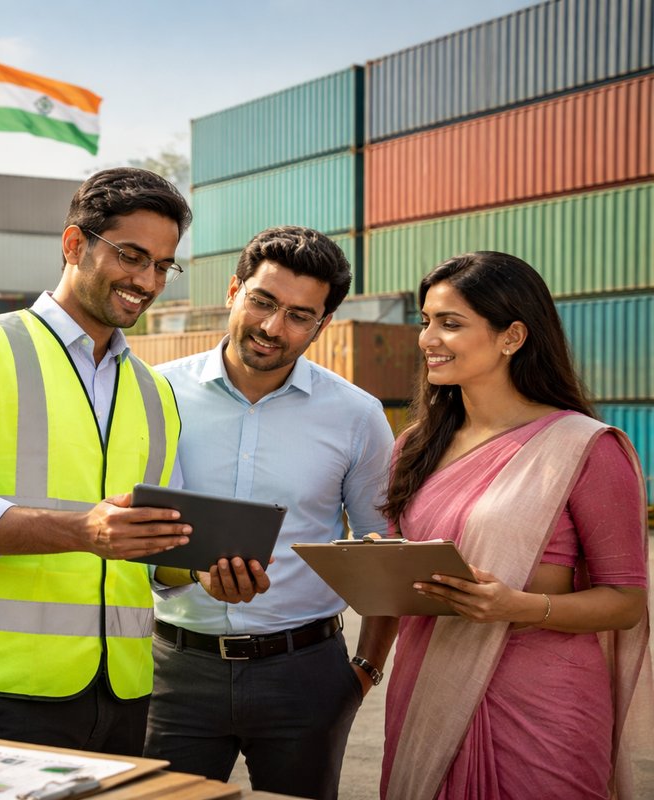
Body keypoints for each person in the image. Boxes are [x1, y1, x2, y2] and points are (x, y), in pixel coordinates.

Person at [0, 167, 194, 755]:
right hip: (3, 690)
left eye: (162, 265)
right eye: (132, 255)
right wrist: (82, 530)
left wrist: (209, 571)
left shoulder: (155, 392)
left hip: (125, 690)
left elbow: (159, 551)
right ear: (74, 244)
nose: (147, 280)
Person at [378, 251, 652, 800]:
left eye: (451, 324)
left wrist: (518, 607)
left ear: (512, 336)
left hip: (542, 705)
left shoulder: (584, 448)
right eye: (425, 321)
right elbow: (397, 569)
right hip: (427, 682)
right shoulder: (415, 446)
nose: (428, 338)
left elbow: (626, 602)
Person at [144, 226, 397, 800]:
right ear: (233, 290)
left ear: (322, 324)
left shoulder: (357, 416)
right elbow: (126, 533)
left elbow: (383, 551)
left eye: (299, 315)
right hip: (173, 669)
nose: (272, 327)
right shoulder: (156, 395)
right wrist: (188, 571)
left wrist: (363, 672)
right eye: (262, 301)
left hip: (306, 674)